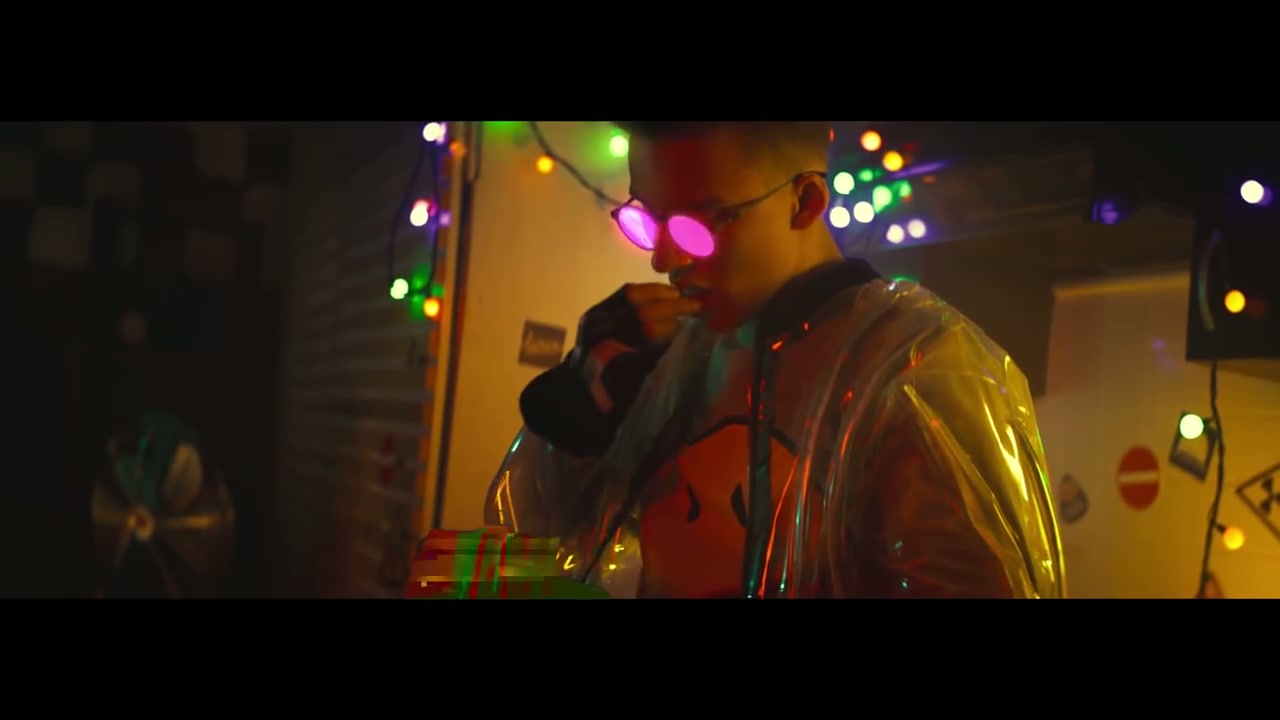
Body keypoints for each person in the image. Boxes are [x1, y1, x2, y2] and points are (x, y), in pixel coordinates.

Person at [483, 121, 1065, 598]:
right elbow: (532, 545)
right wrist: (578, 409)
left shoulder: (916, 367)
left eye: (695, 226)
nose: (663, 260)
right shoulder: (669, 355)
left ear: (804, 201)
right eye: (648, 220)